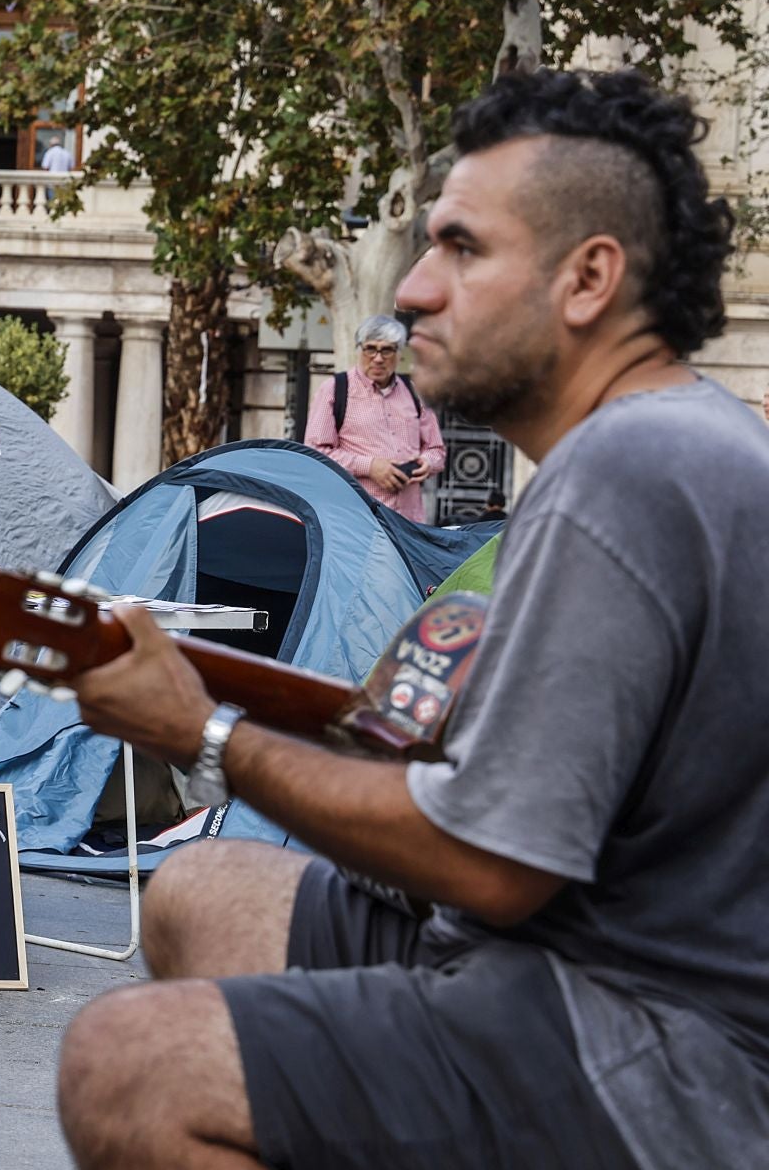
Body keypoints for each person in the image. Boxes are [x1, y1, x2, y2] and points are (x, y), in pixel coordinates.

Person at [57, 67, 764, 1169]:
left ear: (589, 279)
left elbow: (491, 864)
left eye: (463, 249)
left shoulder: (629, 468)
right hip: (547, 949)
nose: (418, 291)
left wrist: (203, 734)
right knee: (201, 890)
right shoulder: (676, 435)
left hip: (654, 1044)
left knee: (128, 1064)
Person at [302, 314, 447, 521]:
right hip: (357, 519)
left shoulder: (414, 392)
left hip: (409, 522)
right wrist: (370, 467)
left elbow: (436, 450)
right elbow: (316, 452)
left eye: (386, 350)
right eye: (370, 348)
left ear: (399, 354)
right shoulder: (335, 390)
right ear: (359, 350)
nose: (378, 358)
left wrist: (427, 463)